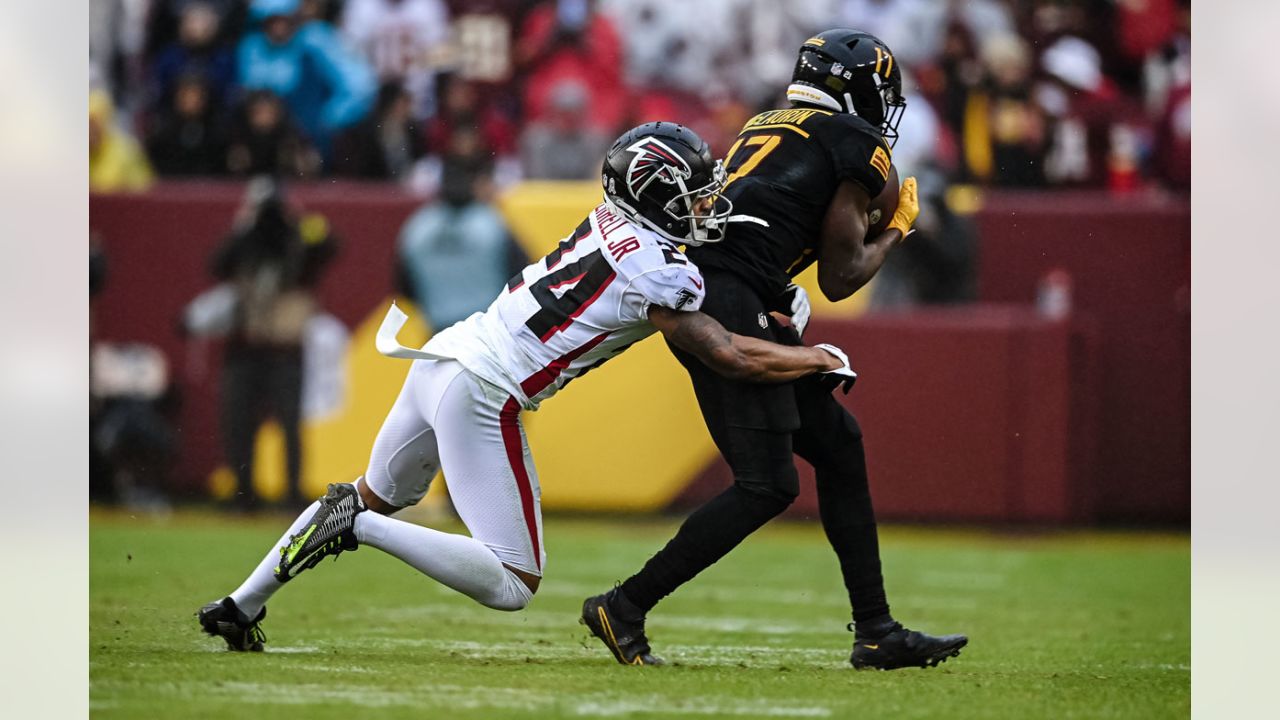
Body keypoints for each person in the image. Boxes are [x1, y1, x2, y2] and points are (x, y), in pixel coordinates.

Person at [197, 122, 858, 651]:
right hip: (485, 391)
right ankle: (360, 529)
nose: (707, 205)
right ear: (655, 198)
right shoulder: (661, 273)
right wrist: (814, 357)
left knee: (369, 491)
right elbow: (730, 356)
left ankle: (240, 603)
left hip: (442, 357)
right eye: (693, 194)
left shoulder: (612, 222)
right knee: (513, 579)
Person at [580, 30, 968, 671]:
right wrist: (897, 228)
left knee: (838, 446)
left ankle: (876, 630)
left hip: (723, 288)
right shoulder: (855, 142)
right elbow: (842, 278)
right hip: (732, 300)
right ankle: (623, 605)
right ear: (858, 87)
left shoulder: (767, 118)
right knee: (766, 485)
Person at [208, 178, 338, 511]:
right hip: (246, 345)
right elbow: (217, 264)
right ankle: (243, 492)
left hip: (285, 347)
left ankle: (292, 493)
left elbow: (330, 246)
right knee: (239, 423)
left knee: (290, 423)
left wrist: (296, 225)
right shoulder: (245, 242)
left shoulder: (297, 242)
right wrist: (244, 229)